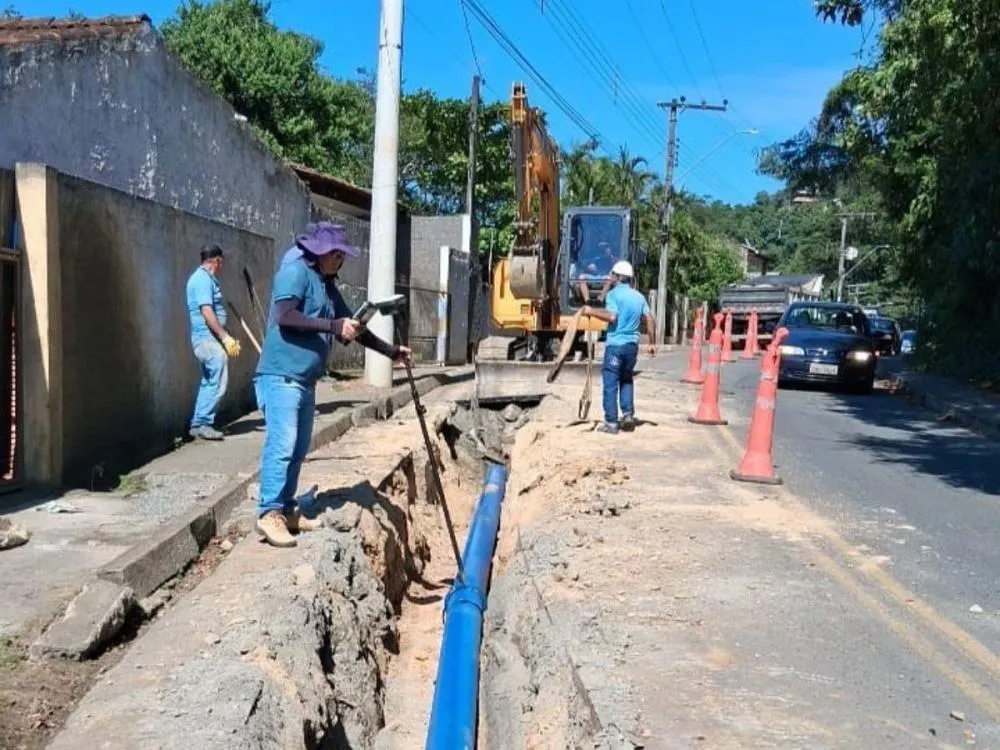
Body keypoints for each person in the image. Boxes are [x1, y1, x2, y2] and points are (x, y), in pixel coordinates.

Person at [254, 223, 412, 548]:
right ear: (320, 252)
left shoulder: (326, 286)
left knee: (298, 450)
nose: (340, 260)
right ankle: (269, 512)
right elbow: (286, 316)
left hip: (304, 380)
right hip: (281, 377)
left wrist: (391, 351)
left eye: (342, 255)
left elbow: (352, 325)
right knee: (282, 446)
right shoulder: (295, 272)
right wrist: (332, 326)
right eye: (336, 254)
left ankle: (286, 509)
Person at [580, 260, 656, 434]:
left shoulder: (613, 295)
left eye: (613, 274)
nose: (611, 277)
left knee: (610, 382)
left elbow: (612, 317)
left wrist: (591, 311)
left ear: (619, 277)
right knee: (626, 378)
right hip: (632, 347)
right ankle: (628, 415)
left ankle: (611, 422)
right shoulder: (639, 297)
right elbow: (650, 319)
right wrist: (652, 343)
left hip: (616, 346)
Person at [186, 244, 241, 441]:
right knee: (218, 377)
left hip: (208, 338)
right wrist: (224, 337)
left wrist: (224, 334)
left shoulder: (204, 279)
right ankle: (203, 423)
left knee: (210, 380)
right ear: (216, 261)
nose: (221, 266)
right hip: (205, 339)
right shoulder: (202, 279)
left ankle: (198, 423)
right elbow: (207, 311)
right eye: (221, 262)